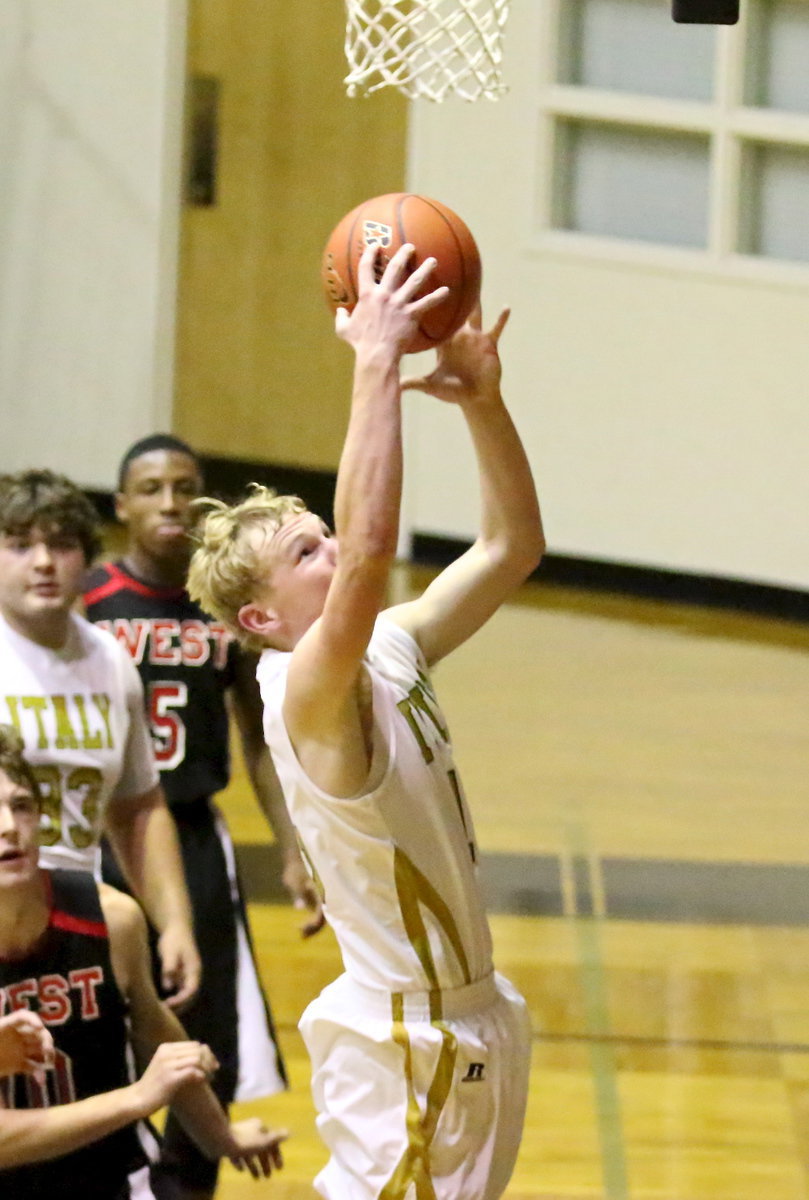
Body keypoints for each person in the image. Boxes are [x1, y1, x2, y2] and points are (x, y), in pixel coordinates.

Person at [186, 243, 545, 1198]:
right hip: (408, 1037)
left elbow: (512, 547)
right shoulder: (302, 690)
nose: (335, 546)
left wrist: (481, 402)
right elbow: (373, 549)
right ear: (259, 618)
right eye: (307, 551)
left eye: (322, 531)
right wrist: (374, 357)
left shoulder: (390, 642)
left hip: (471, 1016)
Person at [83, 433, 323, 1200]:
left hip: (190, 834)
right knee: (104, 1011)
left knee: (200, 1021)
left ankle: (187, 1184)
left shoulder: (221, 605)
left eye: (184, 486)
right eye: (149, 488)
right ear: (120, 505)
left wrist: (293, 848)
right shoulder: (85, 600)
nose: (169, 502)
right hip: (95, 841)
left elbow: (257, 735)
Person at [0, 723, 286, 1198]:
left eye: (21, 805)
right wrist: (137, 1098)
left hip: (113, 1180)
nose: (9, 825)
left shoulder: (109, 918)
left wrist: (223, 1138)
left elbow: (158, 1039)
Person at [0, 469, 200, 1009]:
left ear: (87, 558)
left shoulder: (110, 660)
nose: (43, 562)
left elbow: (138, 806)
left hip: (81, 921)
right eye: (20, 546)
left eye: (62, 545)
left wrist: (174, 923)